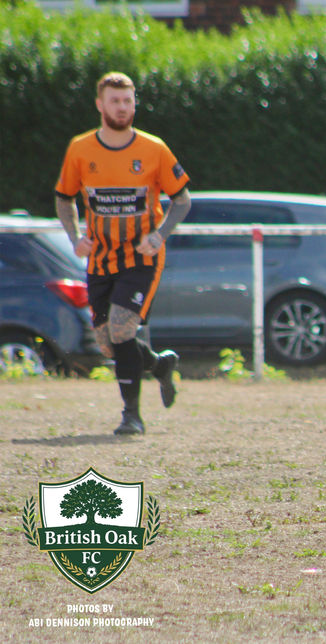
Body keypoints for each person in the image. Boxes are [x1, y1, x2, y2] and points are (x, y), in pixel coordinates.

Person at [54, 71, 191, 435]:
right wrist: (75, 236)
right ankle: (160, 366)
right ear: (100, 104)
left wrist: (160, 236)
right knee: (109, 343)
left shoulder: (154, 148)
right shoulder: (80, 148)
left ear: (134, 103)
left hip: (141, 257)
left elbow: (181, 200)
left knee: (121, 327)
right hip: (100, 259)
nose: (122, 107)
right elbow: (63, 198)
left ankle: (131, 416)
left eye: (128, 100)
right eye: (115, 100)